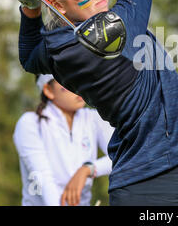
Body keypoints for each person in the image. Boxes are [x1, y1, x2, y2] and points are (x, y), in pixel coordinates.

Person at [10, 0, 178, 206]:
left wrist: (31, 7)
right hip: (161, 184)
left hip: (167, 175)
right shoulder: (111, 31)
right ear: (58, 6)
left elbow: (29, 57)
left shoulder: (56, 46)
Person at [13, 74, 114, 206]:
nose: (78, 87)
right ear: (48, 91)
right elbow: (44, 179)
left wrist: (87, 169)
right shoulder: (30, 123)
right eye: (68, 81)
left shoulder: (93, 118)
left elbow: (124, 156)